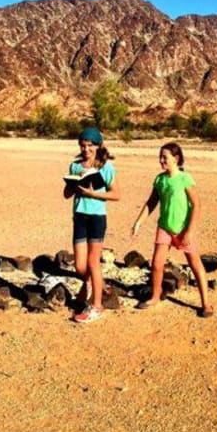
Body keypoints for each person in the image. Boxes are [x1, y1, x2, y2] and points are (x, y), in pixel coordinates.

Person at [131, 142, 213, 318]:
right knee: (157, 264)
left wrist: (190, 231)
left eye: (164, 157)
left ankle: (206, 303)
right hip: (165, 227)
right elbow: (151, 202)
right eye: (160, 157)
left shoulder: (185, 178)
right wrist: (139, 222)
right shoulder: (160, 180)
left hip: (183, 229)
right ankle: (155, 296)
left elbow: (197, 205)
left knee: (195, 265)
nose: (161, 161)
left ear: (176, 159)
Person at [63, 127, 121, 323]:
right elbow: (66, 194)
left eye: (90, 145)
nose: (86, 149)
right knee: (80, 266)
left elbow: (116, 194)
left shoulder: (106, 168)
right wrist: (72, 184)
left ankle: (97, 305)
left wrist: (93, 194)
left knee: (93, 262)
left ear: (98, 146)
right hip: (79, 216)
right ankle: (97, 286)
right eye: (83, 145)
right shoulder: (75, 165)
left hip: (96, 217)